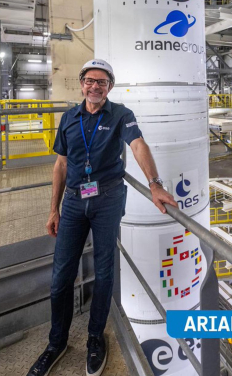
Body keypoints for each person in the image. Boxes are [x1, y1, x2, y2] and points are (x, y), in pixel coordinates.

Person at [27, 59, 177, 376]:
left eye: (102, 82)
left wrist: (155, 184)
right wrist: (53, 209)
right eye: (90, 81)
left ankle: (95, 339)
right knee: (60, 278)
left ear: (110, 87)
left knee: (105, 271)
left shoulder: (121, 115)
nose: (95, 86)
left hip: (107, 199)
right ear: (81, 83)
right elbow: (61, 166)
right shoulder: (69, 118)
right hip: (72, 202)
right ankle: (56, 343)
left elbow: (138, 146)